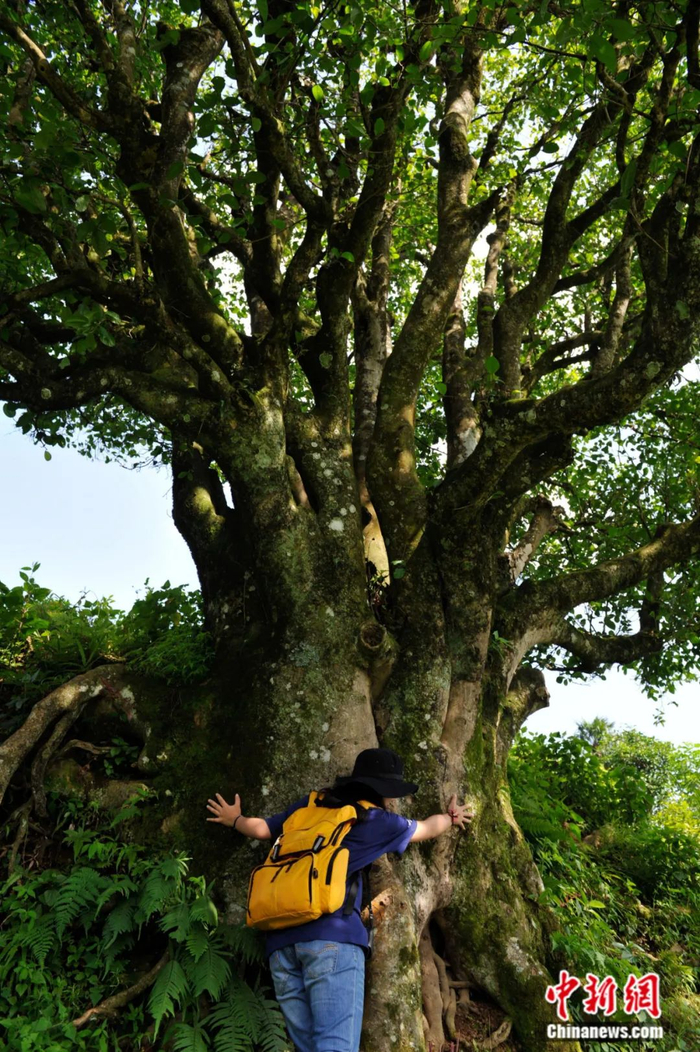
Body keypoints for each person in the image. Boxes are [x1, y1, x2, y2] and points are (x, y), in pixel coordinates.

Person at [206, 747, 473, 1052]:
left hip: (279, 946)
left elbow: (264, 829)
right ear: (383, 792)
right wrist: (452, 818)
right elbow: (425, 828)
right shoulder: (376, 820)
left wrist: (235, 818)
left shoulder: (311, 806)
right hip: (332, 941)